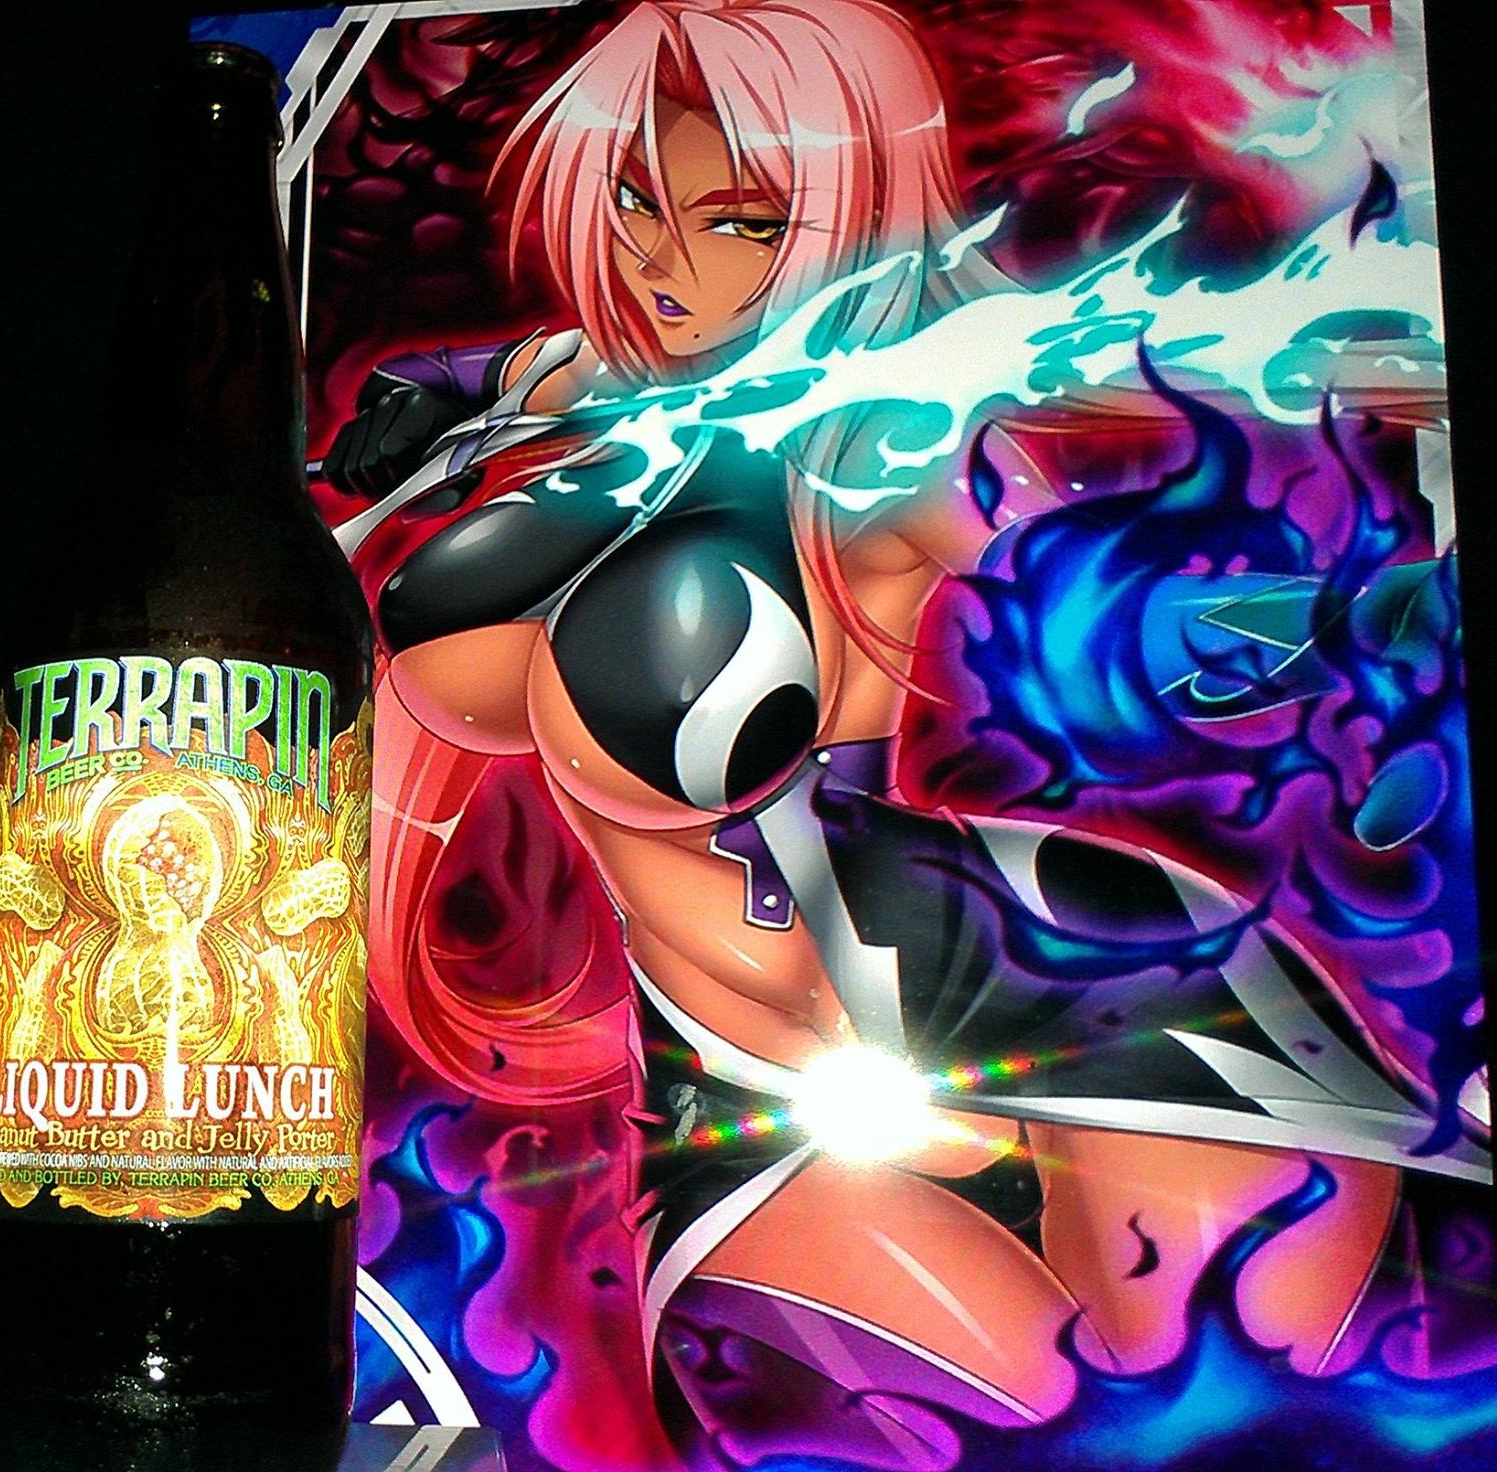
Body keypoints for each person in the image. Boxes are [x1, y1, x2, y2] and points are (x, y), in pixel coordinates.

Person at [325, 3, 1485, 1464]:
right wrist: (446, 389)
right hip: (744, 1088)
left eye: (738, 222)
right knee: (985, 1421)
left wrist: (1350, 625)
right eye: (633, 200)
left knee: (1241, 1415)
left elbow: (1102, 607)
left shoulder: (881, 442)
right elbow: (525, 374)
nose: (662, 262)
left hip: (1099, 980)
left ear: (839, 216)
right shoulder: (586, 386)